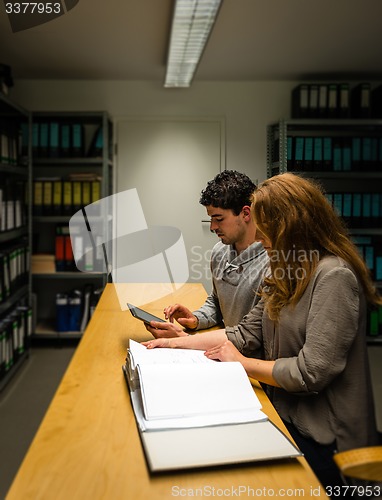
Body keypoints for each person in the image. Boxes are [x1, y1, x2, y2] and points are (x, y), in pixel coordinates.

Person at [143, 172, 381, 493]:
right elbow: (243, 335)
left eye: (266, 228)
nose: (260, 238)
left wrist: (242, 363)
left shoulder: (334, 277)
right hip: (282, 414)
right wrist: (175, 344)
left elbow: (311, 372)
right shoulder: (283, 272)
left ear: (291, 226)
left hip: (326, 438)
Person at [146, 170, 269, 338]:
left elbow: (255, 336)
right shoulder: (220, 252)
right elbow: (217, 302)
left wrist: (185, 340)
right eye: (211, 219)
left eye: (219, 219)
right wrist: (196, 318)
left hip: (248, 357)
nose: (212, 227)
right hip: (225, 347)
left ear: (246, 213)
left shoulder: (271, 263)